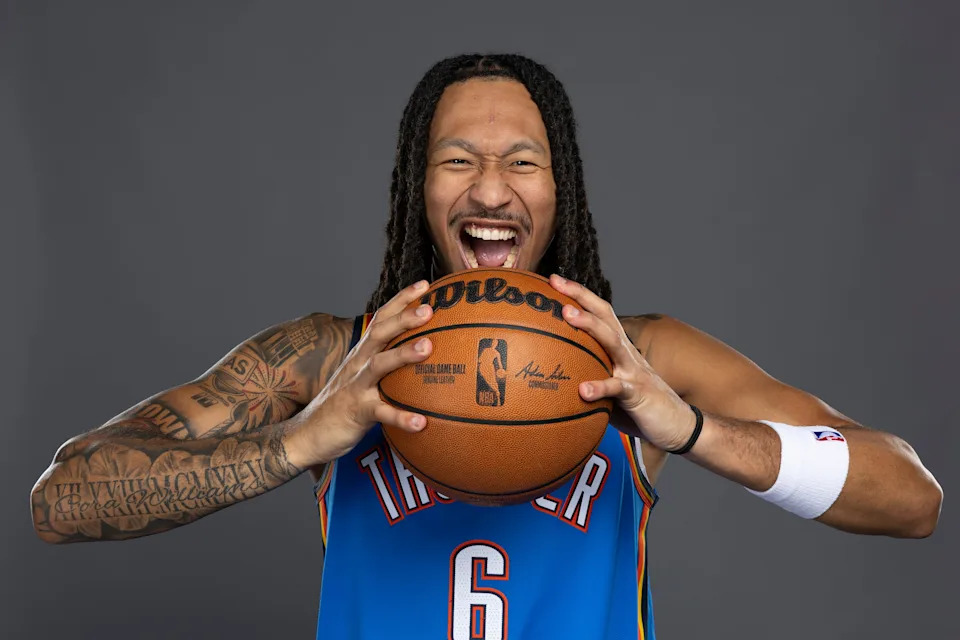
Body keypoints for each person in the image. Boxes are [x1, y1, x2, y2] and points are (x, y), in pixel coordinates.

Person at [30, 54, 942, 639]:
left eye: (523, 161)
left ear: (561, 187)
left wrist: (692, 428)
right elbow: (61, 500)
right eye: (458, 159)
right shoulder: (329, 359)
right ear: (418, 189)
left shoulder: (641, 359)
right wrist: (303, 439)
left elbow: (911, 498)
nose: (492, 189)